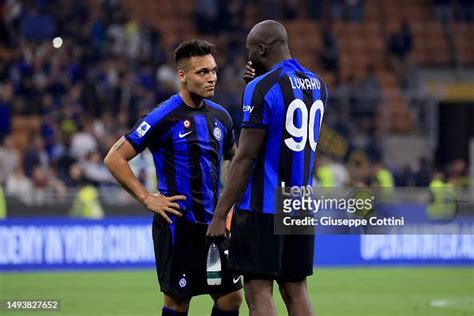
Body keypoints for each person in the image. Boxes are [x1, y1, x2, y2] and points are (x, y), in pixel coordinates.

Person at [104, 40, 242, 316]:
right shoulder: (162, 117)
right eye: (202, 72)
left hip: (215, 224)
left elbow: (232, 160)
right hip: (178, 225)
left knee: (231, 299)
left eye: (213, 70)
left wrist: (231, 205)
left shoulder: (222, 117)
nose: (212, 77)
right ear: (182, 76)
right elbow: (114, 158)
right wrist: (147, 198)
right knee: (178, 302)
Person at [207, 20, 328, 316]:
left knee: (258, 289)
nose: (248, 58)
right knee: (296, 289)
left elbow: (246, 156)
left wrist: (220, 215)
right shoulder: (318, 85)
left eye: (251, 51)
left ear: (261, 49)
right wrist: (257, 82)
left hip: (262, 205)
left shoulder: (262, 87)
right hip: (299, 204)